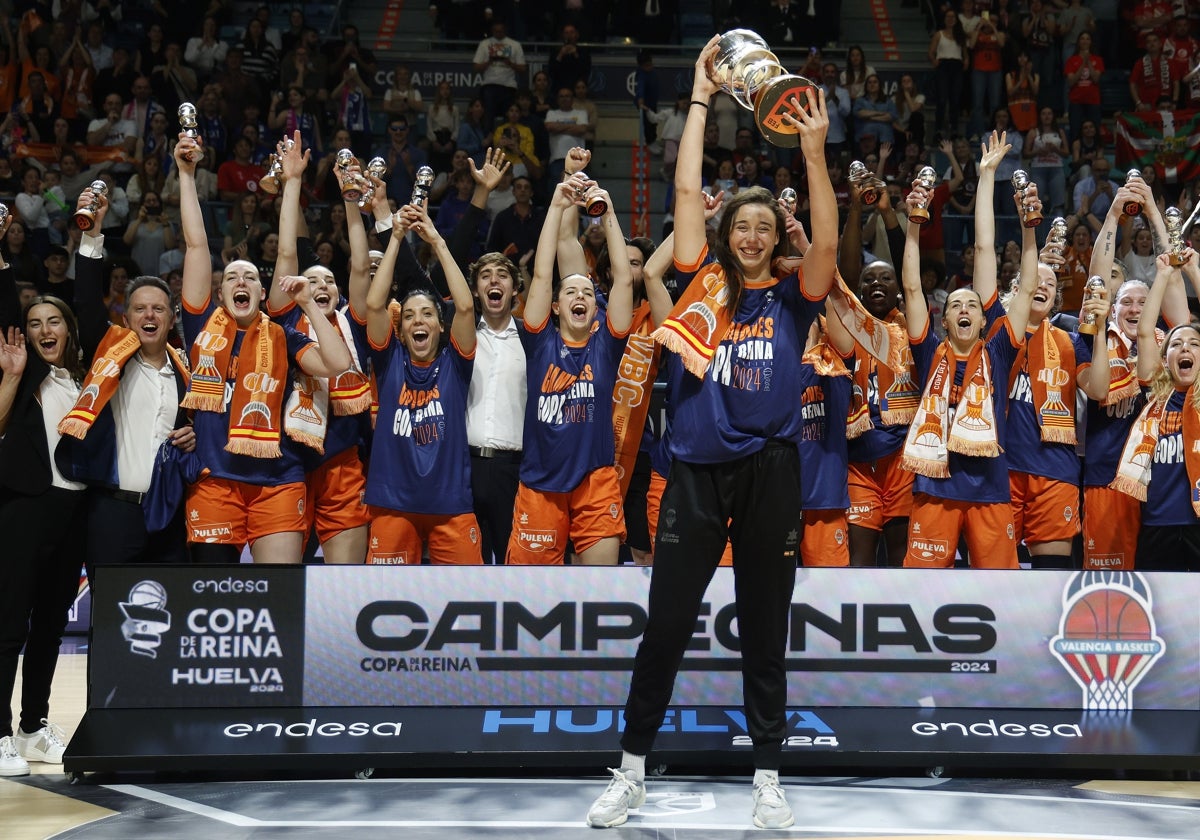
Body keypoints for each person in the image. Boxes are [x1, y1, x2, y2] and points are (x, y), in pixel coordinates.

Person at [585, 35, 838, 831]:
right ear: (727, 235)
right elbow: (688, 190)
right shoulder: (701, 285)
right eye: (744, 226)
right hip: (692, 471)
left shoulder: (796, 299)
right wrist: (699, 95)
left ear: (775, 237)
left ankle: (768, 778)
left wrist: (814, 153)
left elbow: (826, 241)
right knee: (664, 629)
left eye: (765, 227)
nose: (753, 236)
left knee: (765, 632)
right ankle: (630, 772)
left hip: (771, 471)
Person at [174, 132, 353, 564]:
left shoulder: (282, 333)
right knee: (213, 599)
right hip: (216, 480)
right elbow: (197, 244)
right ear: (219, 294)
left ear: (262, 292)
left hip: (278, 480)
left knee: (279, 601)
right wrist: (186, 173)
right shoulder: (202, 325)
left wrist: (308, 302)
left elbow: (338, 363)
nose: (241, 281)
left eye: (251, 277)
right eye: (232, 275)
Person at [901, 133, 1040, 569]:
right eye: (954, 305)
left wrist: (1026, 225)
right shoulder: (930, 351)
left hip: (990, 490)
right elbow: (910, 286)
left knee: (1001, 594)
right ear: (944, 320)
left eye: (972, 306)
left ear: (984, 321)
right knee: (921, 592)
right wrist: (913, 225)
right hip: (934, 487)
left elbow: (1012, 273)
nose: (964, 308)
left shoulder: (998, 350)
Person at [54, 187, 194, 578]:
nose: (149, 315)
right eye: (140, 309)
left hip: (170, 510)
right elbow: (84, 302)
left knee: (169, 619)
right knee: (109, 621)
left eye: (158, 309)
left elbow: (197, 431)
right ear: (127, 317)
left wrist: (194, 436)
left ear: (170, 318)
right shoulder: (111, 353)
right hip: (113, 511)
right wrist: (91, 237)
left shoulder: (186, 373)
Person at [506, 171, 633, 566]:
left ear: (596, 309)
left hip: (596, 481)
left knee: (601, 591)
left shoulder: (606, 344)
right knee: (532, 596)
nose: (580, 296)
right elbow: (543, 274)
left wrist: (609, 214)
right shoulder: (539, 339)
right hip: (540, 485)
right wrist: (558, 207)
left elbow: (625, 279)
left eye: (588, 293)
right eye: (570, 292)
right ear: (556, 307)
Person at [0, 241, 87, 776]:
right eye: (34, 323)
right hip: (23, 510)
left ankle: (33, 727)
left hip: (72, 510)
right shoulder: (21, 375)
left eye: (55, 320)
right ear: (23, 334)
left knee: (51, 626)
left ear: (70, 329)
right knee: (9, 626)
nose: (45, 329)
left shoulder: (84, 381)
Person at [267, 135, 372, 565]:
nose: (322, 286)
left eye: (330, 281)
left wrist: (351, 196)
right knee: (284, 586)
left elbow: (362, 265)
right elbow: (288, 250)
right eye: (313, 281)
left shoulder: (354, 324)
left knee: (345, 587)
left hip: (343, 465)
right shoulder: (285, 320)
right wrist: (292, 182)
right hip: (287, 461)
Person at [363, 202, 482, 565]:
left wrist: (435, 240)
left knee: (467, 601)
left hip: (451, 504)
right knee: (385, 601)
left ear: (440, 326)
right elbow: (373, 303)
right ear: (401, 330)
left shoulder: (456, 363)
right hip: (392, 503)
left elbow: (464, 307)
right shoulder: (390, 360)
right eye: (410, 315)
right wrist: (396, 238)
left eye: (428, 314)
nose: (419, 320)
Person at [1082, 178, 1188, 569]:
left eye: (1145, 301)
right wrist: (1113, 214)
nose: (1136, 307)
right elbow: (1098, 276)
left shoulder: (1166, 343)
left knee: (1161, 580)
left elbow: (1172, 274)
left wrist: (1156, 217)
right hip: (1108, 476)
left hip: (1162, 482)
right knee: (1110, 586)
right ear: (1111, 309)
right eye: (1126, 301)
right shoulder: (1093, 337)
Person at [1111, 250, 1200, 568]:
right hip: (1156, 522)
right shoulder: (1154, 394)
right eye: (1176, 344)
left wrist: (1193, 270)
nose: (1185, 348)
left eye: (1194, 343)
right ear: (1165, 358)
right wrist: (1161, 276)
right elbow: (1146, 332)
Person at [473, 20, 526, 128]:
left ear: (505, 30)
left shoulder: (515, 45)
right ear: (492, 31)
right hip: (489, 85)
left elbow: (523, 68)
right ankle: (488, 141)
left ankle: (507, 141)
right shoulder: (484, 44)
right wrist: (489, 61)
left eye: (501, 31)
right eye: (496, 31)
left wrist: (510, 63)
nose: (498, 33)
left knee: (509, 117)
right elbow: (476, 67)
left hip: (508, 86)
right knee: (488, 117)